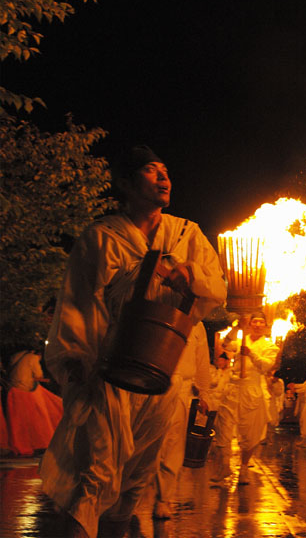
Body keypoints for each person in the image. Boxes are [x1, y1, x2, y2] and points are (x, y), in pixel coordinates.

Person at [40, 146, 226, 538]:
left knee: (134, 480)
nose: (164, 178)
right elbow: (77, 300)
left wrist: (188, 275)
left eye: (166, 171)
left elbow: (217, 288)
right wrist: (75, 355)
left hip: (165, 371)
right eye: (150, 170)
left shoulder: (186, 234)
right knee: (97, 472)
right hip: (109, 368)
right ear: (125, 183)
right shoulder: (100, 237)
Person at [150, 322, 211, 518]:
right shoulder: (158, 305)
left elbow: (201, 358)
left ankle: (163, 498)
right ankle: (134, 494)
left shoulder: (196, 324)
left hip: (181, 390)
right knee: (148, 445)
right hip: (152, 384)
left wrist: (204, 392)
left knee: (173, 445)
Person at [235, 312, 278, 484]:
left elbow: (266, 365)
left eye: (261, 322)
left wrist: (250, 353)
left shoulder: (270, 346)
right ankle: (223, 466)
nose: (258, 325)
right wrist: (237, 327)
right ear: (250, 324)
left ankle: (244, 467)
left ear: (266, 326)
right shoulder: (240, 340)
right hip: (234, 387)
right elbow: (224, 345)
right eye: (255, 321)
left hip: (253, 390)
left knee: (251, 433)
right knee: (227, 430)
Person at [5, 345, 63, 457]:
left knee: (18, 422)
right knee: (38, 415)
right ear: (39, 354)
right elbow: (38, 375)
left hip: (12, 390)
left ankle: (19, 445)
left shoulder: (16, 356)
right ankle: (43, 441)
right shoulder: (33, 358)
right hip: (25, 390)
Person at [208, 351, 237, 484]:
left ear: (226, 361)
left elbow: (229, 391)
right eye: (218, 360)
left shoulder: (232, 374)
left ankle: (225, 467)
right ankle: (223, 467)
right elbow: (212, 384)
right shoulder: (217, 372)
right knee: (219, 438)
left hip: (227, 408)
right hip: (216, 407)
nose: (219, 363)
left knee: (225, 437)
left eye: (221, 360)